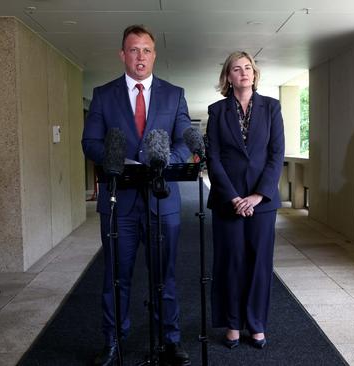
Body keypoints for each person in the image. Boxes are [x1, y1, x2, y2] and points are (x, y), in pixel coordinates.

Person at [82, 24, 191, 366]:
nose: (140, 56)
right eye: (133, 50)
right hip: (120, 202)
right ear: (122, 55)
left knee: (165, 276)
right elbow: (91, 142)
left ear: (154, 55)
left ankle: (170, 340)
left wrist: (163, 161)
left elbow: (185, 139)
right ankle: (114, 339)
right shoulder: (103, 94)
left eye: (146, 50)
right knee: (116, 277)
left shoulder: (174, 94)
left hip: (163, 200)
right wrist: (114, 161)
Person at [205, 51, 285, 349]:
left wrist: (256, 195)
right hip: (228, 201)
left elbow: (276, 155)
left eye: (248, 68)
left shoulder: (272, 108)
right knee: (231, 262)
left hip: (262, 202)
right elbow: (213, 158)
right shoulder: (217, 111)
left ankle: (256, 324)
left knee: (260, 263)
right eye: (237, 69)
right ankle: (233, 323)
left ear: (255, 73)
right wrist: (236, 197)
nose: (244, 73)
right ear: (228, 77)